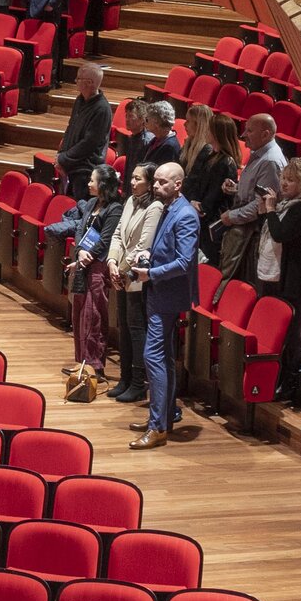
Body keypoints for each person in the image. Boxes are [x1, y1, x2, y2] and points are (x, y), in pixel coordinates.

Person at [120, 159, 203, 450]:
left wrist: (150, 272)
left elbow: (183, 261)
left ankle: (157, 428)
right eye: (154, 181)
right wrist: (144, 257)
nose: (155, 186)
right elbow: (162, 249)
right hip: (159, 291)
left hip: (168, 295)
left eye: (162, 182)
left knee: (152, 356)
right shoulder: (168, 208)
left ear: (177, 184)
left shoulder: (186, 215)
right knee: (164, 358)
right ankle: (164, 418)